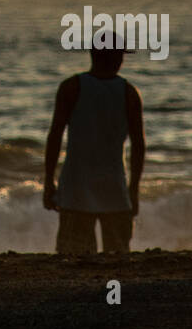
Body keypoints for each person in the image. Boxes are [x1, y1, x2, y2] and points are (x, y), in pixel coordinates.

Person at [43, 46, 145, 254]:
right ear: (118, 59)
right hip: (114, 188)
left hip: (76, 188)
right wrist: (133, 189)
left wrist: (49, 181)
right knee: (117, 257)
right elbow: (138, 146)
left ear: (93, 55)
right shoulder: (129, 93)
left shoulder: (71, 87)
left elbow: (55, 137)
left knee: (73, 258)